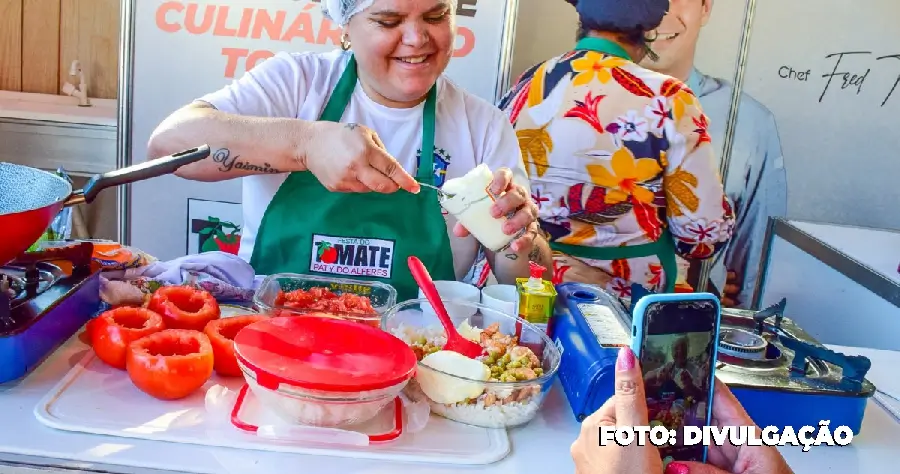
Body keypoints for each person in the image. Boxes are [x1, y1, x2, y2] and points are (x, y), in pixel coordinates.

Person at [146, 0, 553, 301]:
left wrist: (518, 238)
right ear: (345, 26)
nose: (417, 38)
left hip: (415, 357)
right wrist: (303, 144)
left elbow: (535, 277)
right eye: (388, 20)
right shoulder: (296, 84)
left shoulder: (482, 126)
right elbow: (167, 145)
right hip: (272, 339)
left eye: (435, 15)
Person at [493, 0, 735, 297]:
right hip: (618, 303)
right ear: (648, 32)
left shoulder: (530, 81)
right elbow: (701, 237)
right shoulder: (669, 98)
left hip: (526, 285)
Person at [640, 0, 788, 308]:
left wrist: (732, 311)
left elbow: (754, 273)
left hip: (689, 338)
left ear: (705, 7)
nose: (662, 10)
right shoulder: (553, 99)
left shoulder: (748, 124)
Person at [571, 346, 795, 474]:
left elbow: (695, 396)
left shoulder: (692, 369)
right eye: (676, 350)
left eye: (682, 350)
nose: (679, 353)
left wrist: (687, 386)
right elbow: (655, 386)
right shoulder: (666, 368)